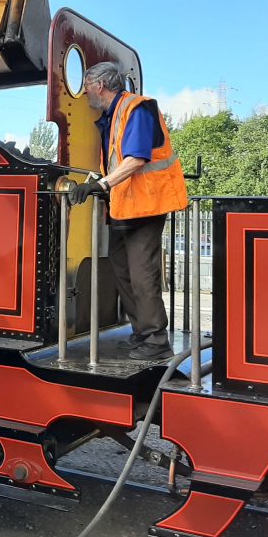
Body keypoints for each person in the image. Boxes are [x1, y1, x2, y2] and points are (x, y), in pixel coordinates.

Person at [68, 62, 188, 360]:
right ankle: (142, 333)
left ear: (100, 85)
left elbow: (135, 160)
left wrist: (102, 186)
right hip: (124, 206)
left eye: (87, 87)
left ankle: (157, 341)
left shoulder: (138, 108)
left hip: (147, 206)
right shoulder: (111, 116)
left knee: (142, 273)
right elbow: (115, 162)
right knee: (122, 271)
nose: (84, 94)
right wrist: (95, 184)